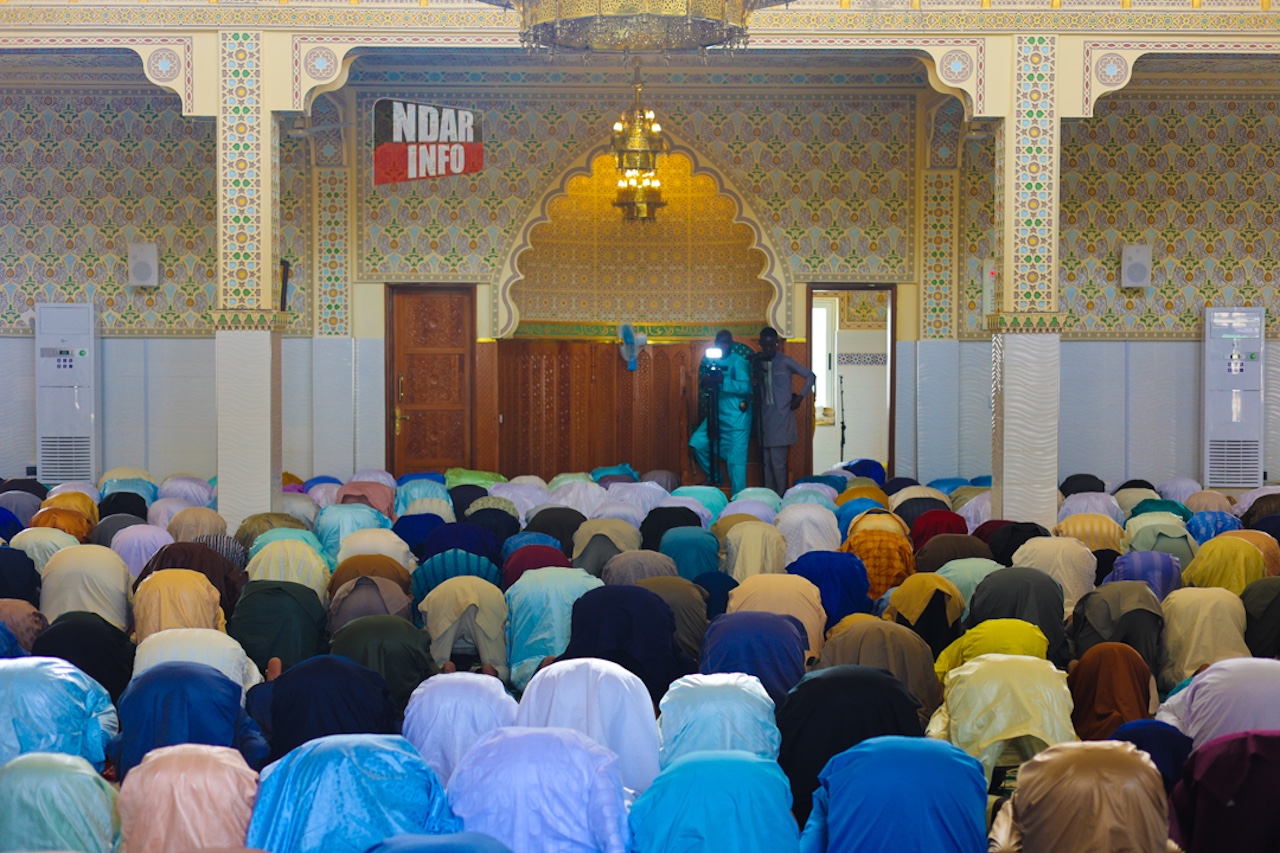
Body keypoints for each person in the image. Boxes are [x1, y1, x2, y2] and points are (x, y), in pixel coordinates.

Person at [688, 330, 752, 495]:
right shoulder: (711, 360)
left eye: (726, 342)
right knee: (697, 442)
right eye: (720, 343)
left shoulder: (739, 362)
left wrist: (724, 381)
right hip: (716, 415)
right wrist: (706, 382)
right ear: (716, 344)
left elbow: (746, 388)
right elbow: (706, 388)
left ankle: (739, 500)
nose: (723, 346)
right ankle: (716, 476)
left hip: (736, 420)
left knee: (736, 463)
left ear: (731, 343)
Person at [753, 327, 815, 493]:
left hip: (781, 422)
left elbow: (810, 376)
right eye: (764, 346)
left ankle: (781, 502)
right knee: (766, 466)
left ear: (776, 344)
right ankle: (769, 502)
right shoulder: (758, 363)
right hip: (764, 423)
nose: (768, 350)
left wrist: (800, 398)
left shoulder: (785, 361)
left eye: (771, 346)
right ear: (760, 345)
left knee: (778, 466)